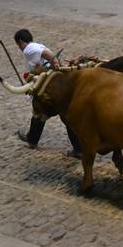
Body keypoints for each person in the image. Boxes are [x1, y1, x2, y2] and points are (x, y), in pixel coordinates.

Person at [12, 29, 82, 158]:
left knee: (58, 114)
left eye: (18, 45)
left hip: (49, 86)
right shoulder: (37, 44)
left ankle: (78, 149)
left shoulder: (29, 48)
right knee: (39, 111)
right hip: (45, 81)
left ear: (21, 41)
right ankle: (32, 139)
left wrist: (52, 60)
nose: (19, 48)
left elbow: (47, 54)